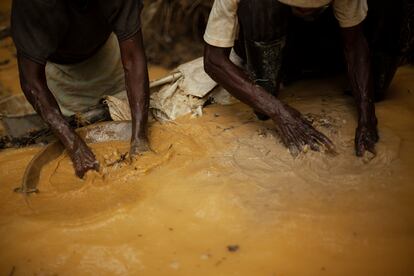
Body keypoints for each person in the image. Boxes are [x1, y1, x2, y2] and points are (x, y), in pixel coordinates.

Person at [203, 0, 378, 157]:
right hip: (265, 30)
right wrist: (278, 111)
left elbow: (355, 45)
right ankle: (271, 79)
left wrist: (367, 118)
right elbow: (213, 59)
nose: (304, 8)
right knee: (259, 7)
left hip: (317, 34)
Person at [11, 0, 150, 178]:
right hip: (61, 73)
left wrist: (140, 139)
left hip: (107, 52)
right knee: (79, 122)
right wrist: (75, 147)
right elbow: (32, 83)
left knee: (119, 110)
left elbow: (132, 57)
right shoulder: (33, 6)